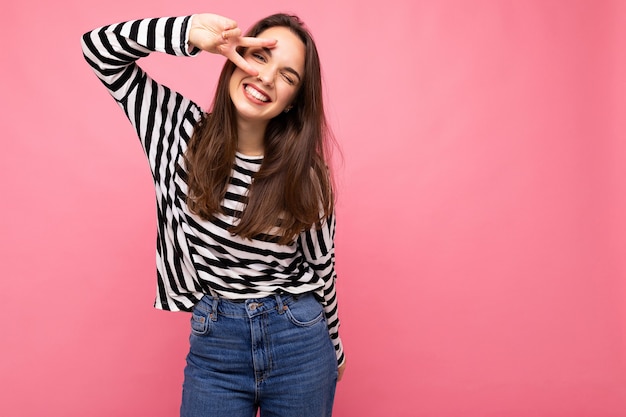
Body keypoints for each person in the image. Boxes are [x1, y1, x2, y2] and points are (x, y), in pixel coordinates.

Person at [81, 11, 346, 417]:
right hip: (215, 343)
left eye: (288, 76)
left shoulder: (306, 172)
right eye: (259, 57)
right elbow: (98, 49)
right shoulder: (176, 129)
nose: (267, 78)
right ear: (236, 55)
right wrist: (187, 33)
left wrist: (335, 348)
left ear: (294, 101)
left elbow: (321, 264)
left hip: (300, 341)